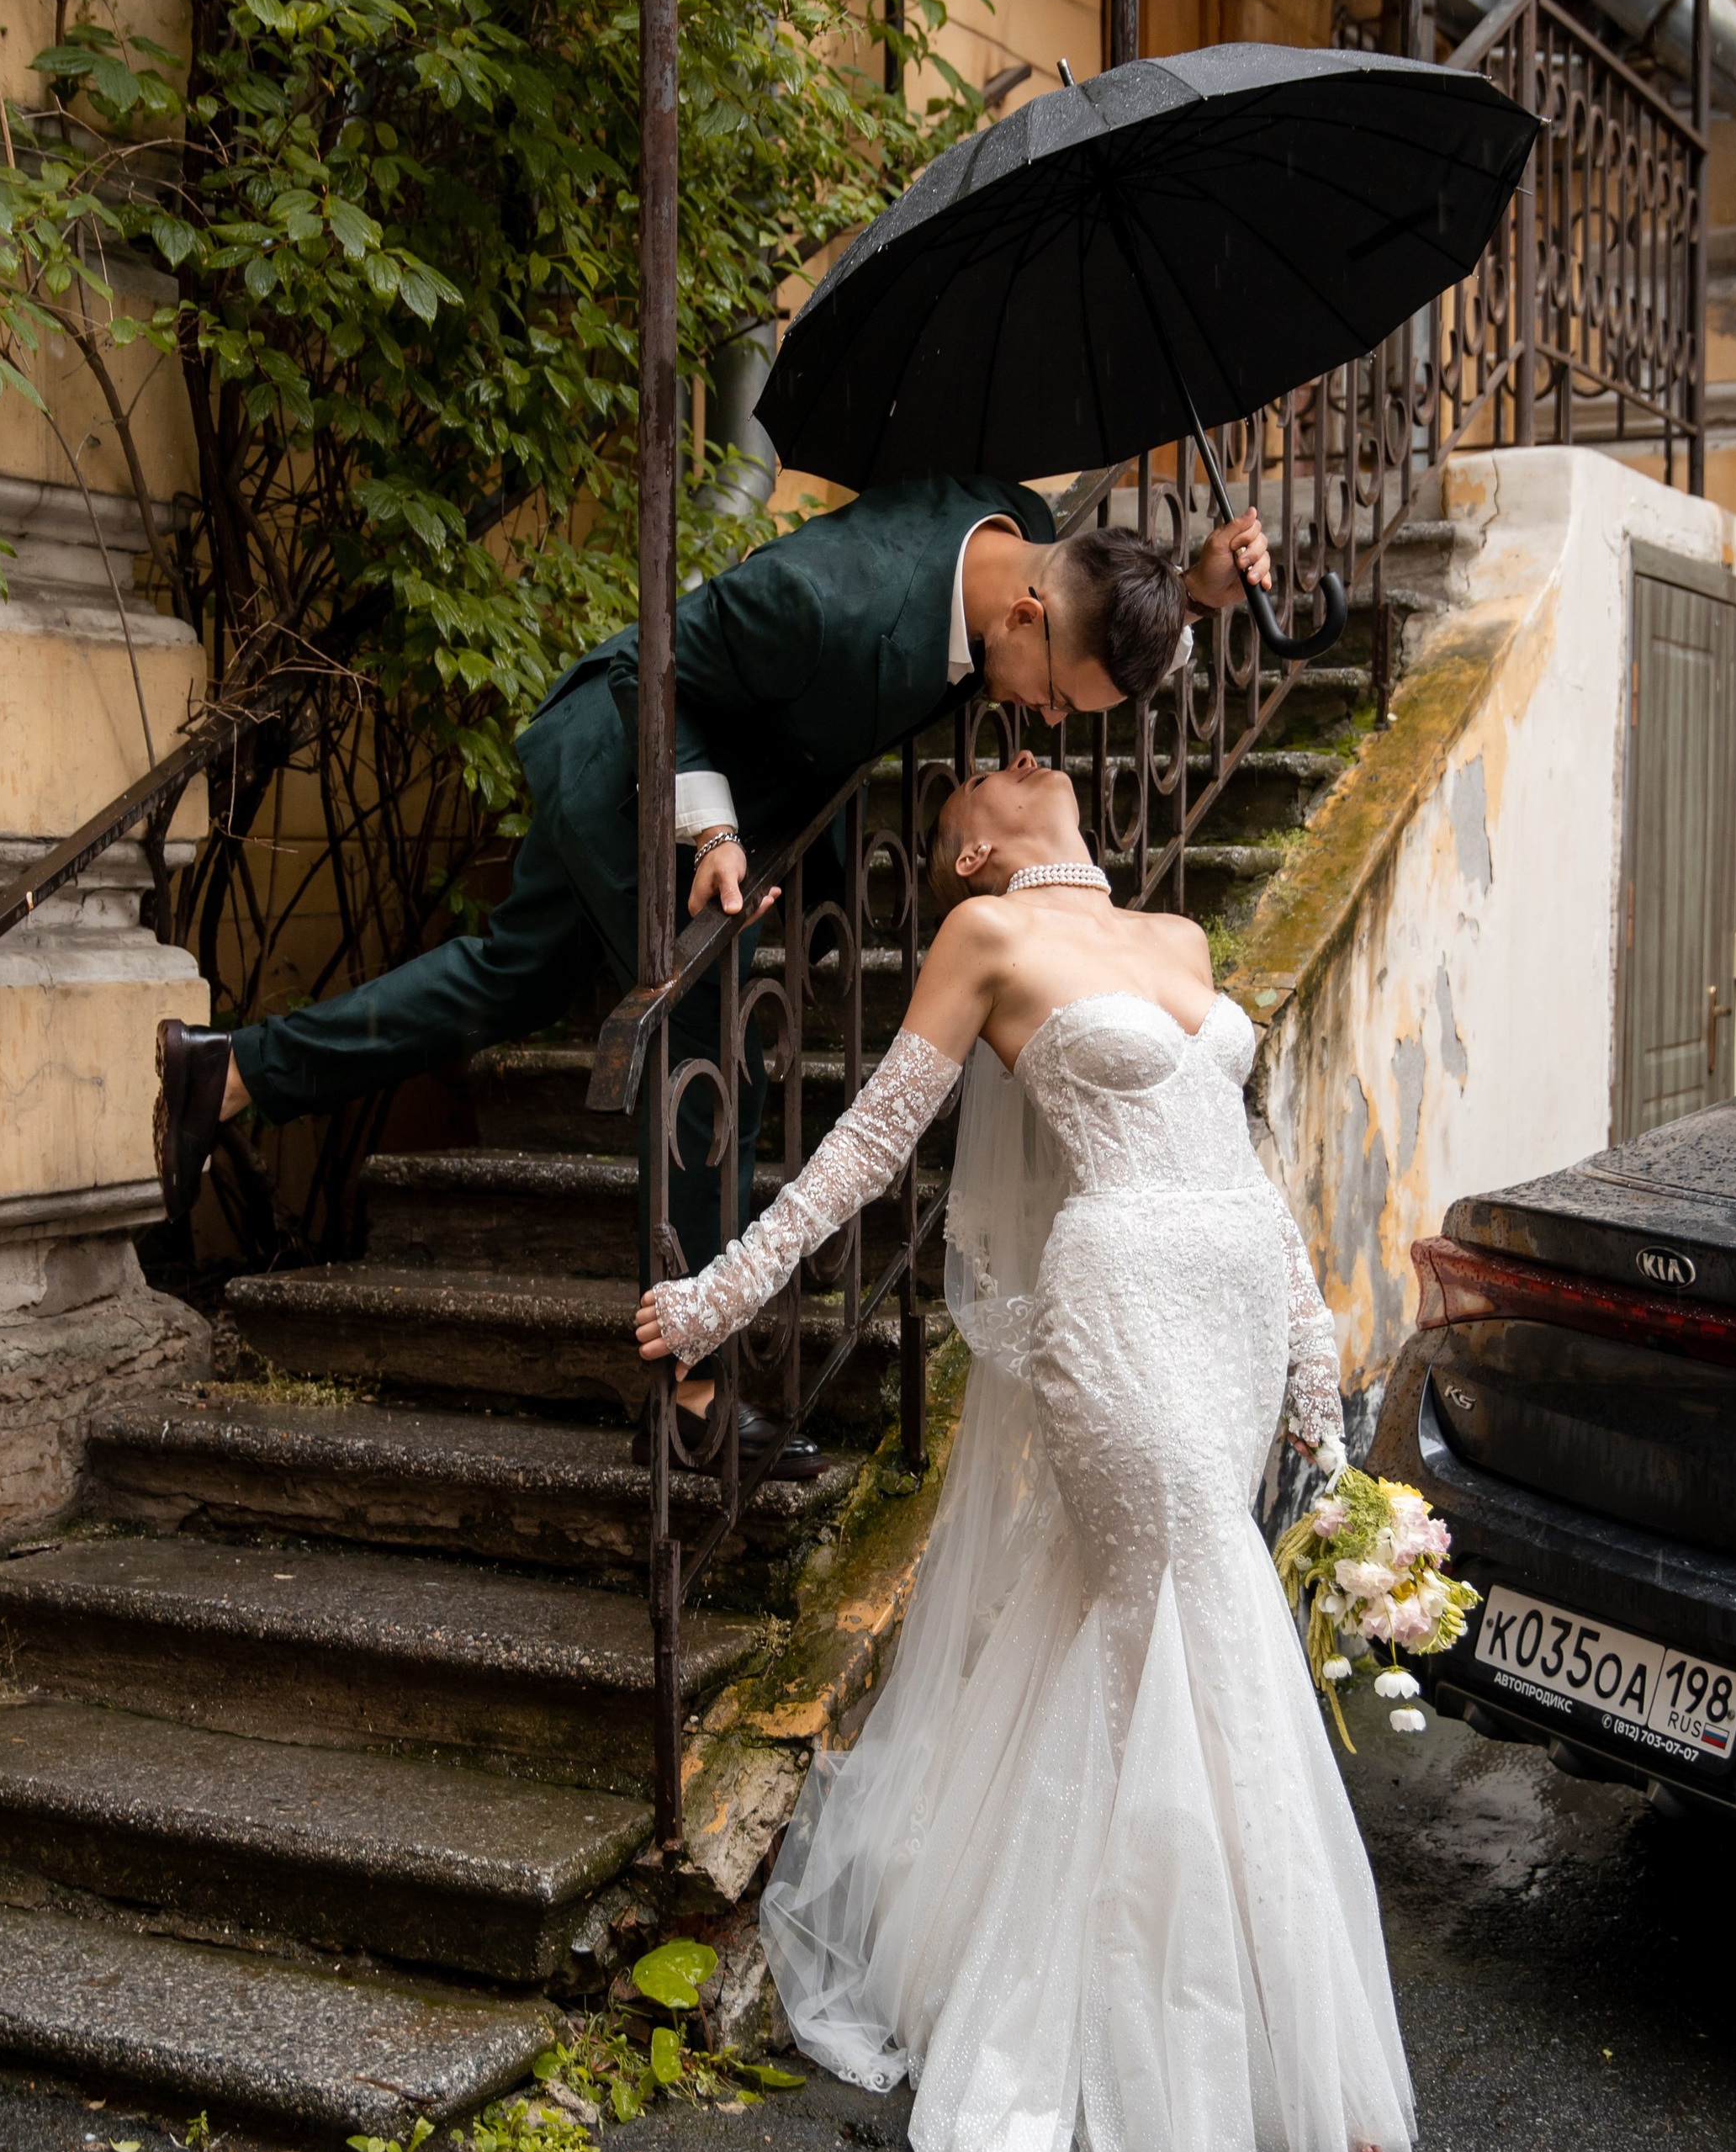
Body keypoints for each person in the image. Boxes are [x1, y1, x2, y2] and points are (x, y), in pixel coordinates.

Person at [634, 748, 1416, 2152]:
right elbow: (867, 1150)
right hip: (1113, 1299)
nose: (1006, 755)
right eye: (964, 795)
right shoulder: (983, 938)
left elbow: (1250, 1167)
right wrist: (718, 1299)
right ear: (977, 857)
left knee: (1180, 1615)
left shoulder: (1177, 937)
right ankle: (1128, 2045)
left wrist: (1316, 1361)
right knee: (1192, 1593)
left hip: (1236, 1304)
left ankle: (1270, 2041)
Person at [156, 475, 1269, 1479]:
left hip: (738, 775)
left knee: (508, 978)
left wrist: (1199, 592)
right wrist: (713, 832)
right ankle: (687, 1383)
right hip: (627, 754)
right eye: (1058, 696)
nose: (1045, 722)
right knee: (699, 1036)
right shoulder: (823, 595)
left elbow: (1095, 595)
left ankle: (235, 1074)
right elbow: (658, 669)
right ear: (1020, 613)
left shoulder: (1016, 526)